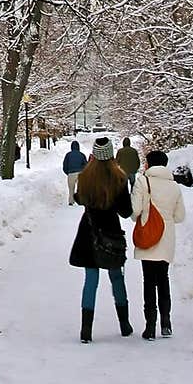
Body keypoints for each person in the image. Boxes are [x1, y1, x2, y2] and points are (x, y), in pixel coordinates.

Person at [69, 137, 134, 342]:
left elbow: (80, 199)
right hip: (110, 233)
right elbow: (125, 212)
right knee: (116, 277)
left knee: (91, 280)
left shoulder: (86, 177)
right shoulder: (119, 178)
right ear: (112, 154)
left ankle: (86, 330)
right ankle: (124, 324)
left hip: (89, 232)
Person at [131, 149, 186, 340]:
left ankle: (150, 326)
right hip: (166, 237)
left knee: (149, 281)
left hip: (148, 235)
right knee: (163, 279)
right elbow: (180, 216)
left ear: (149, 164)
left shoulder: (142, 181)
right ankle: (166, 323)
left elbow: (135, 210)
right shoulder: (174, 187)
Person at [61, 138, 87, 205]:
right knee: (80, 188)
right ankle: (81, 200)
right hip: (80, 173)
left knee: (71, 189)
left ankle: (71, 201)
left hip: (71, 174)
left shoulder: (68, 155)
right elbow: (86, 165)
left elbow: (65, 165)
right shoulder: (82, 154)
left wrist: (68, 173)